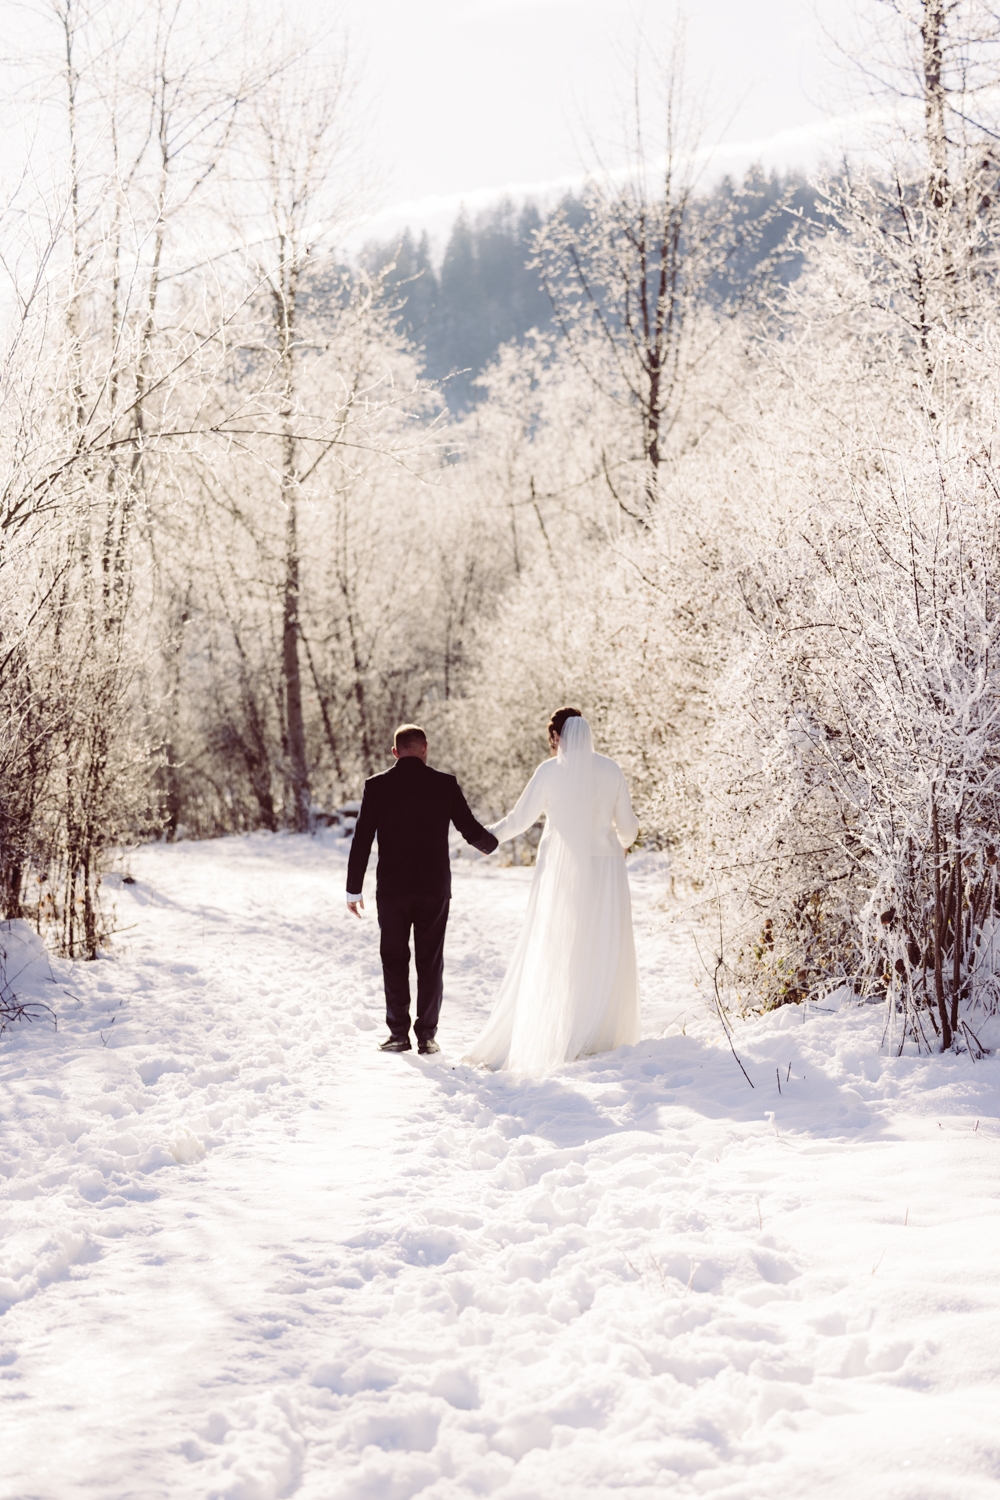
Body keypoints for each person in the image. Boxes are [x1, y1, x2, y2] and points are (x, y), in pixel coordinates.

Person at [464, 708, 640, 1077]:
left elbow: (520, 819)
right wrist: (622, 842)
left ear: (558, 736)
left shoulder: (550, 770)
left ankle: (563, 1025)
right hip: (606, 869)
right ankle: (598, 1030)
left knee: (561, 944)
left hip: (564, 870)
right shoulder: (610, 769)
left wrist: (485, 837)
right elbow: (628, 827)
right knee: (603, 943)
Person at [346, 724, 498, 1054]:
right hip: (434, 889)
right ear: (425, 749)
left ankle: (398, 1034)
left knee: (394, 959)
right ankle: (427, 1036)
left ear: (395, 752)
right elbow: (469, 829)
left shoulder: (377, 786)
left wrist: (352, 890)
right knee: (430, 962)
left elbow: (361, 840)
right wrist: (494, 844)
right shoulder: (444, 784)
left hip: (392, 890)